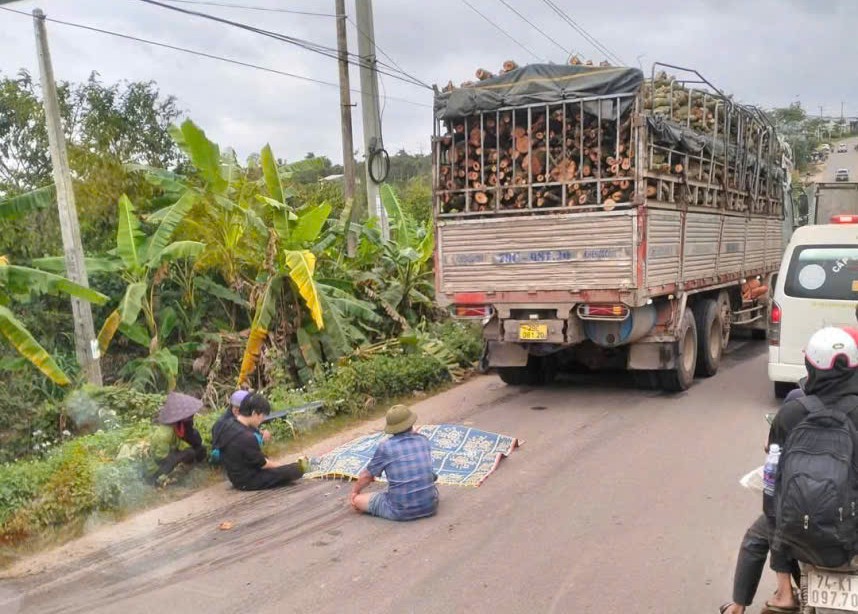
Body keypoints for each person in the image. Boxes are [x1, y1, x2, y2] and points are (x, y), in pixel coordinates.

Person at [720, 326, 858, 614]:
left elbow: (771, 483)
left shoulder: (792, 412)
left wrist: (777, 523)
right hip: (851, 529)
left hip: (796, 529)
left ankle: (751, 603)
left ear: (810, 365)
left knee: (762, 529)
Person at [350, 405, 438, 521]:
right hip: (430, 506)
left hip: (400, 511)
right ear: (411, 423)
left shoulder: (385, 447)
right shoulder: (423, 440)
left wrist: (355, 492)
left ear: (392, 428)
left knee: (357, 501)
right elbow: (432, 476)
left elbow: (367, 476)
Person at [212, 392, 308, 490]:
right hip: (247, 481)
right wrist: (283, 466)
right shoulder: (247, 437)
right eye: (262, 416)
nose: (262, 420)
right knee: (294, 470)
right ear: (254, 413)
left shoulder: (227, 425)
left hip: (235, 476)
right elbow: (262, 464)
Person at [146, 392, 208, 484]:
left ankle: (189, 471)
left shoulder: (178, 426)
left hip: (169, 456)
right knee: (189, 453)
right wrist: (179, 457)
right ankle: (162, 480)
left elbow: (192, 442)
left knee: (200, 449)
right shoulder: (165, 434)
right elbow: (160, 458)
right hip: (157, 468)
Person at [210, 390, 271, 464]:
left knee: (254, 438)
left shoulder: (241, 418)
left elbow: (249, 428)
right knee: (253, 438)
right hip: (220, 452)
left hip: (234, 448)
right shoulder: (224, 422)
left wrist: (262, 432)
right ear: (234, 409)